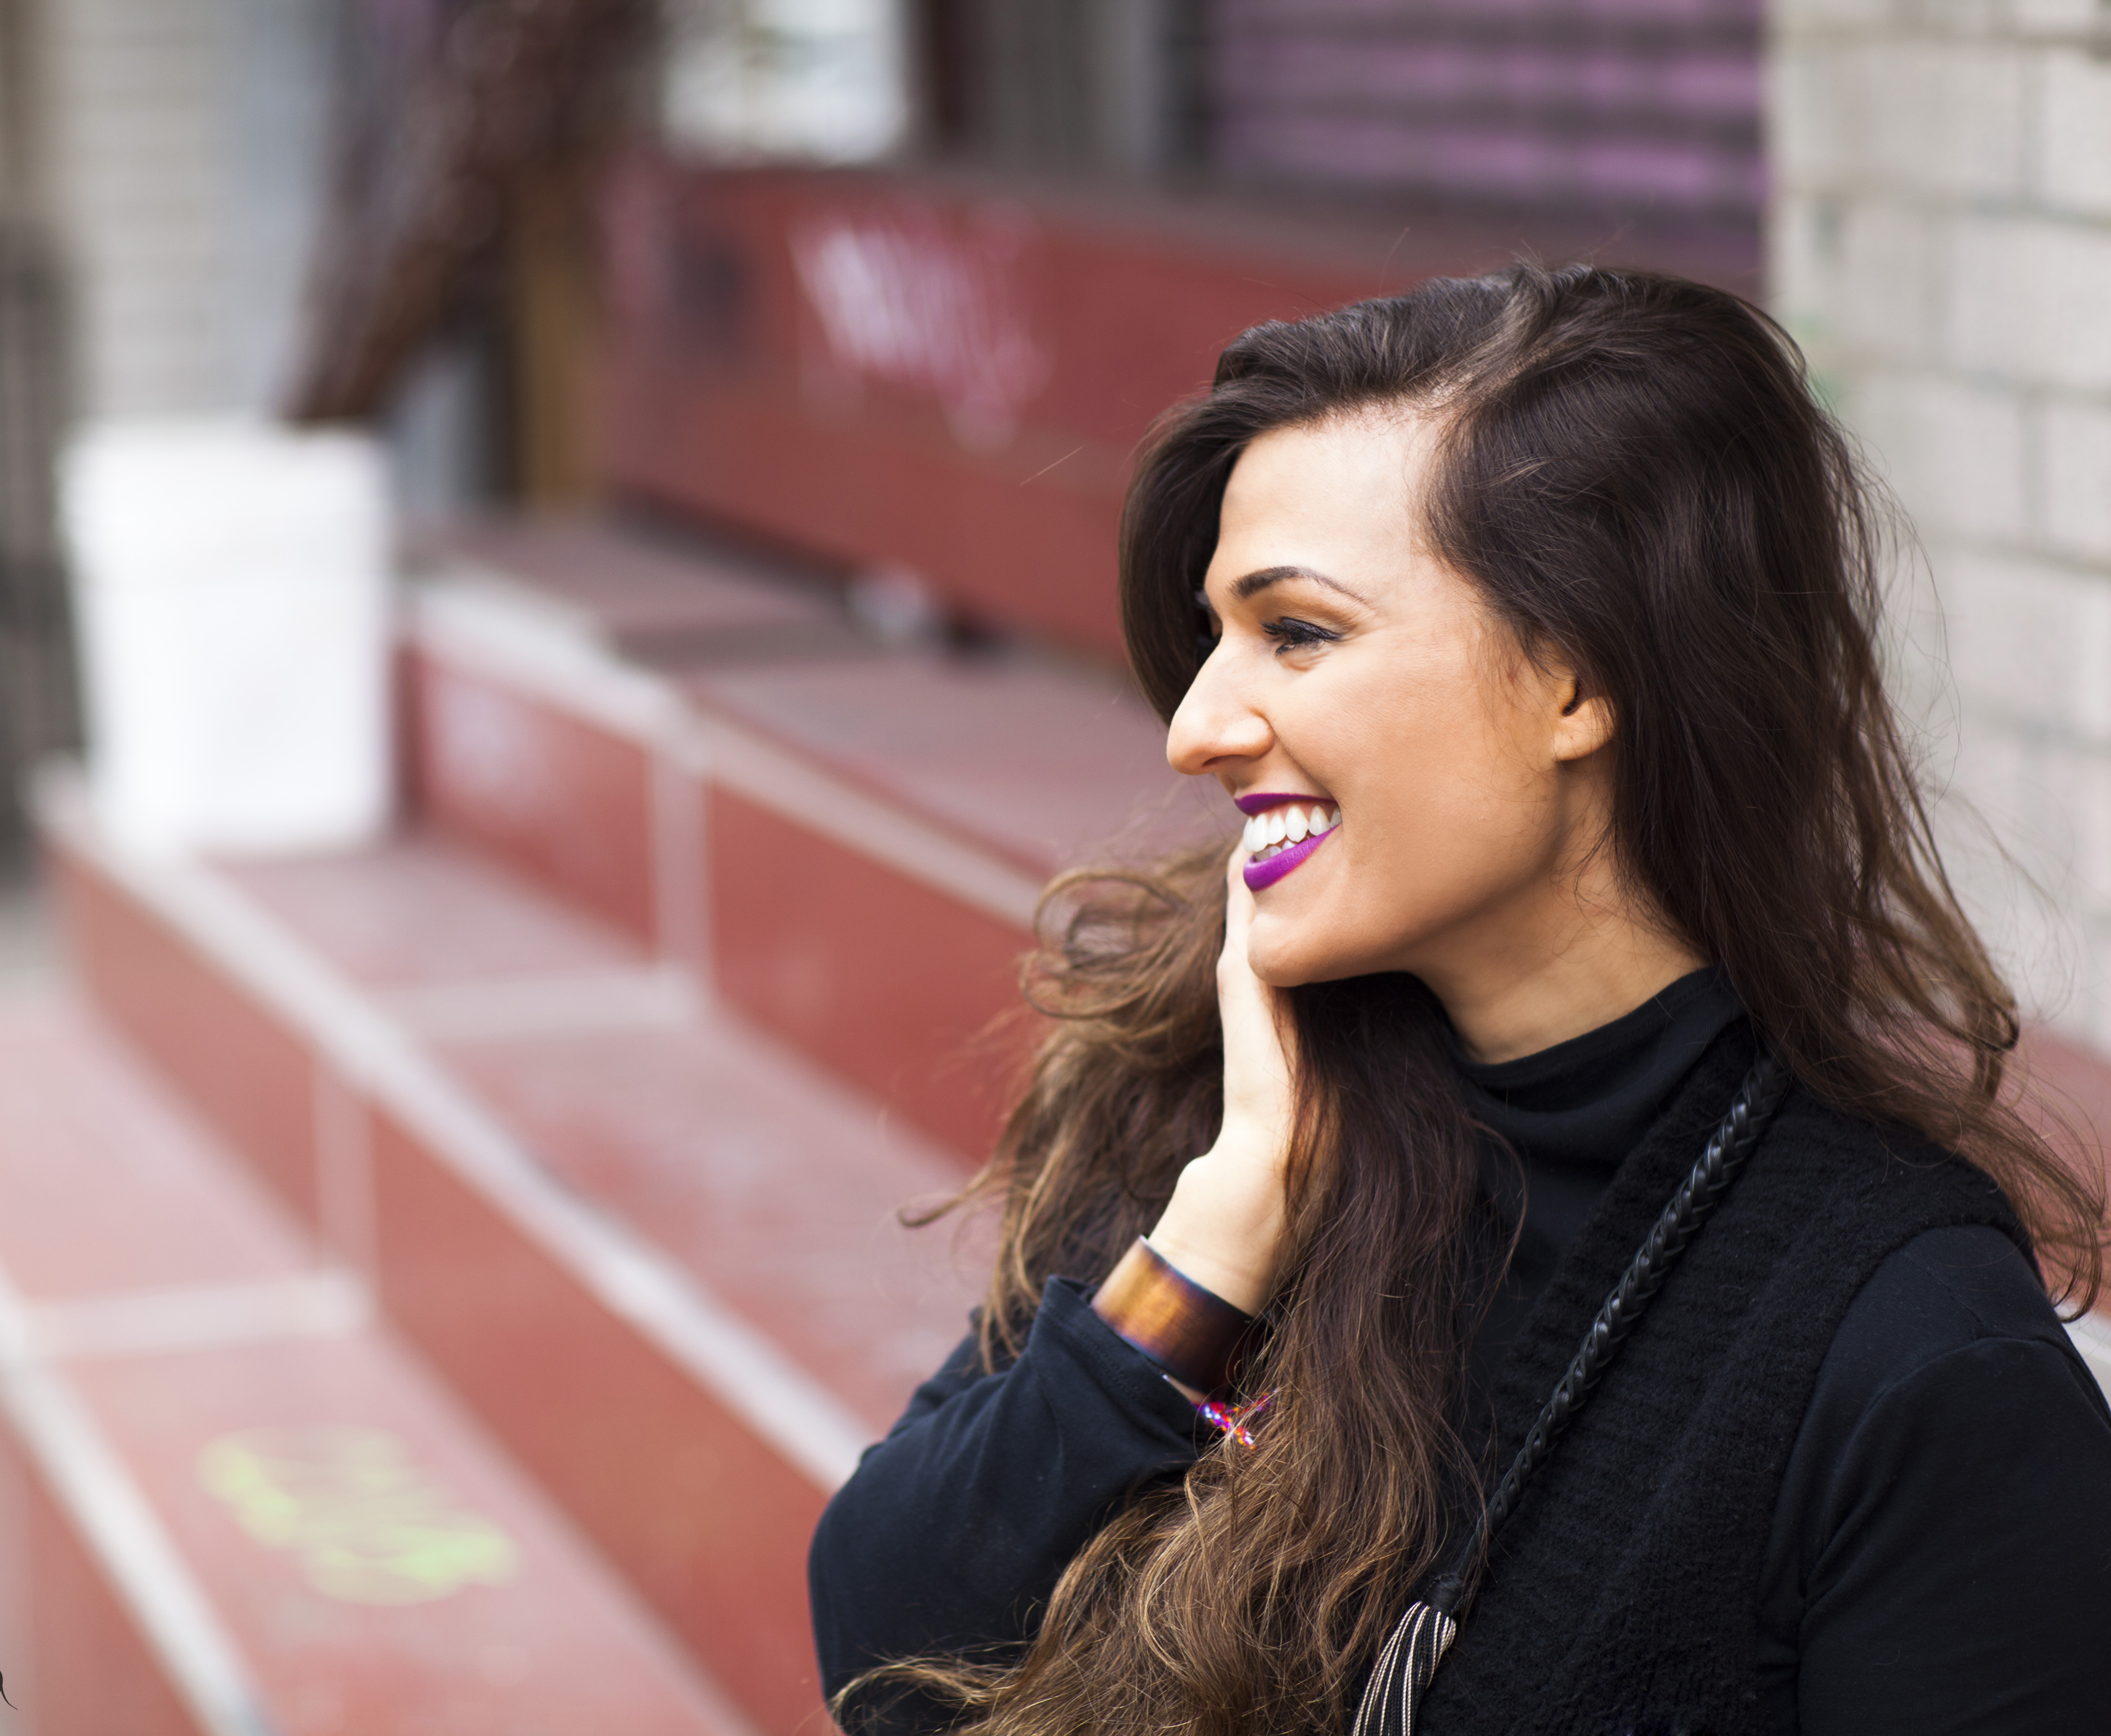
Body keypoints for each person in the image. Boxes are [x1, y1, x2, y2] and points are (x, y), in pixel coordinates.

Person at [806, 264, 2111, 1736]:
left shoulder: (1908, 1357)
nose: (1195, 729)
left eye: (1297, 632)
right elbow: (883, 1653)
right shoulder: (1213, 1092)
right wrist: (1223, 1237)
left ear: (1576, 675)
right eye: (1214, 637)